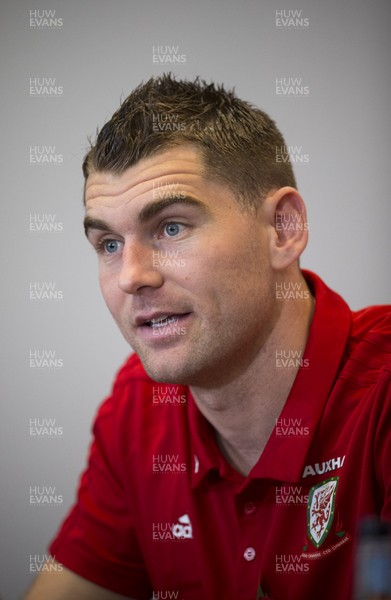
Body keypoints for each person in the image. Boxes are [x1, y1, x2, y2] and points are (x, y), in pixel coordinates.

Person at [25, 74, 391, 600]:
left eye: (171, 228)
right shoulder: (139, 408)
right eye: (107, 243)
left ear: (283, 230)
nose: (132, 275)